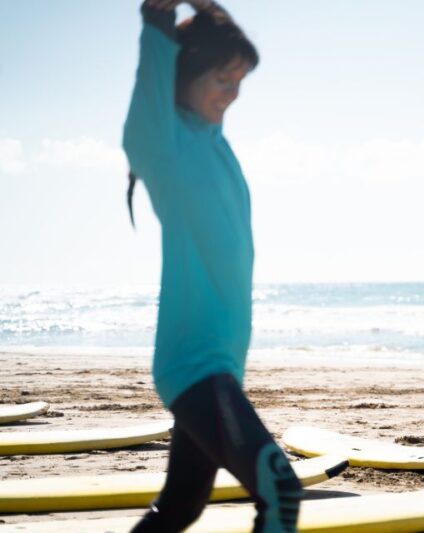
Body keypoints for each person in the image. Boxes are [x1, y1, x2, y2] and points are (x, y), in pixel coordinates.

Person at [123, 1, 302, 531]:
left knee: (181, 504)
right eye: (223, 78)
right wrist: (158, 25)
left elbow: (217, 39)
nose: (234, 92)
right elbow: (154, 73)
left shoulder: (212, 142)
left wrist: (208, 11)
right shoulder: (163, 144)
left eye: (240, 80)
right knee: (282, 492)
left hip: (221, 366)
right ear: (185, 73)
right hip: (194, 366)